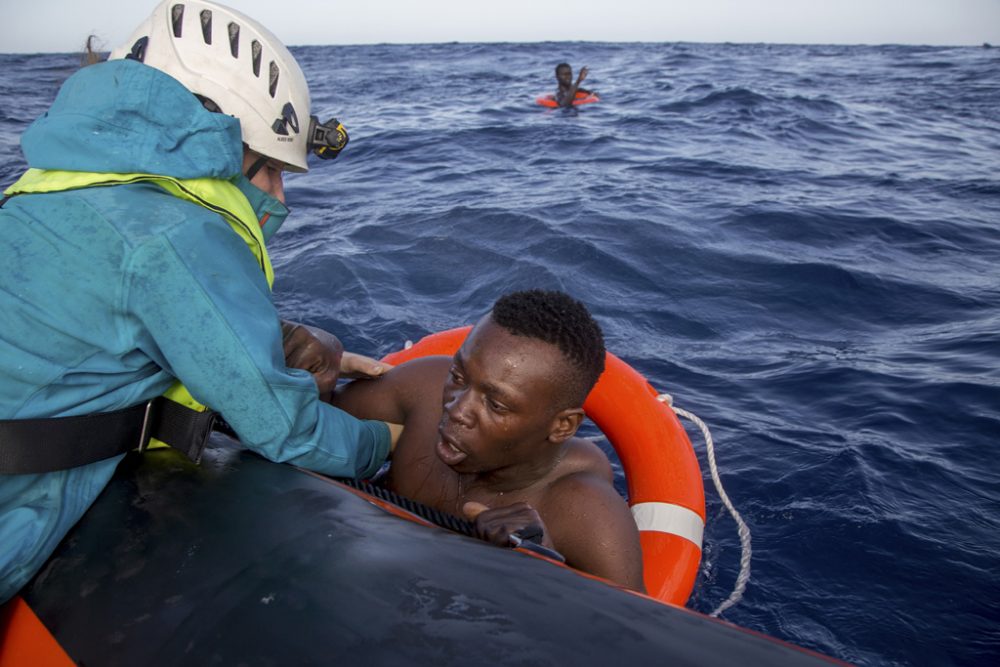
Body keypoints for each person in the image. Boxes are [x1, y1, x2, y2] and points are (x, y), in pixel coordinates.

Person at [0, 0, 400, 603]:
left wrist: (276, 341)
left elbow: (101, 299)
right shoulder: (178, 229)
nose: (279, 195)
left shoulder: (50, 186)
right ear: (220, 143)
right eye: (269, 171)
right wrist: (389, 438)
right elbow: (285, 433)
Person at [331, 290, 645, 591]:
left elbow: (634, 636)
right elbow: (307, 427)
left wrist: (543, 570)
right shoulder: (423, 387)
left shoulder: (585, 515)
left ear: (562, 426)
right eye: (458, 377)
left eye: (496, 405)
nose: (456, 410)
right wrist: (312, 368)